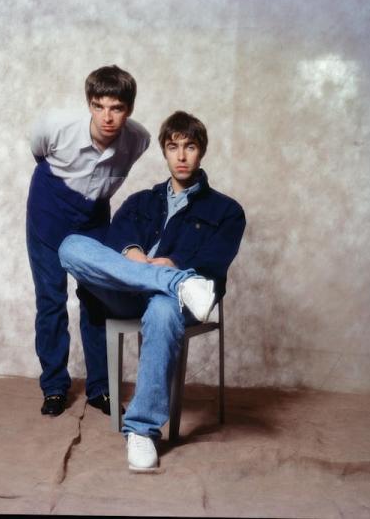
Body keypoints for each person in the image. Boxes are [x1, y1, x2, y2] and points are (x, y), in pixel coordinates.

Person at [57, 111, 246, 470]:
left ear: (201, 151)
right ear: (164, 151)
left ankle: (141, 431)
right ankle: (176, 285)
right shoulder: (141, 201)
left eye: (190, 147)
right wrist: (132, 253)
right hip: (132, 291)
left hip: (180, 301)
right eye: (173, 147)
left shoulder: (227, 211)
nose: (181, 155)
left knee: (161, 307)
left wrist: (171, 265)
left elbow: (213, 264)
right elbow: (114, 242)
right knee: (70, 246)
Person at [27, 65, 151, 417]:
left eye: (117, 108)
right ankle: (54, 387)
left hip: (94, 216)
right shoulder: (57, 126)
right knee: (51, 300)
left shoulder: (138, 140)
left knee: (97, 301)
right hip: (49, 209)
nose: (107, 117)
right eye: (99, 106)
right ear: (89, 104)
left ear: (129, 110)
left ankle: (101, 389)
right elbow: (38, 154)